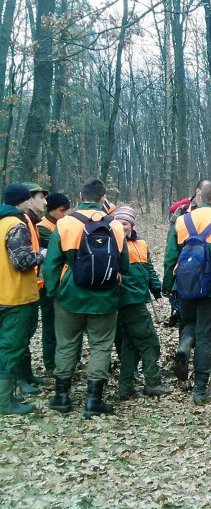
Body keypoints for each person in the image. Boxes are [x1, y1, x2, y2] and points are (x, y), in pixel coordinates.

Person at [44, 178, 130, 418]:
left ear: (81, 197)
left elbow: (51, 264)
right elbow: (125, 266)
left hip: (70, 296)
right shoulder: (115, 226)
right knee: (101, 346)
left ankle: (62, 397)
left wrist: (53, 291)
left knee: (67, 343)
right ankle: (94, 401)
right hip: (105, 297)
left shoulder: (65, 223)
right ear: (103, 199)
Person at [163, 182, 211, 405]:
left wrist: (168, 285)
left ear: (200, 197)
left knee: (188, 323)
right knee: (205, 336)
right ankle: (200, 388)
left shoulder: (182, 220)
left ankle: (184, 345)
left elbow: (170, 256)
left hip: (184, 284)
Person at [113, 206, 168, 400]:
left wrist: (157, 292)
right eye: (118, 223)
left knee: (130, 345)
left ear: (132, 225)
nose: (122, 227)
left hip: (138, 299)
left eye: (125, 223)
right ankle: (153, 383)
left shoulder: (141, 244)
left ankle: (125, 386)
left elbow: (149, 269)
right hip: (128, 302)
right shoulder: (113, 245)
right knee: (149, 342)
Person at [0, 184, 44, 415]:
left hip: (3, 293)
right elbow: (21, 261)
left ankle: (8, 394)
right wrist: (42, 255)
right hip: (15, 296)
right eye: (28, 199)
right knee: (11, 348)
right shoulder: (16, 225)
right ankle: (5, 402)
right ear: (21, 201)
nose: (31, 202)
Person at [14, 182, 49, 395]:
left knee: (27, 333)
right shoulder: (20, 222)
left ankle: (26, 375)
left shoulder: (32, 221)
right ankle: (18, 379)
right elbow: (21, 259)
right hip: (17, 291)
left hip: (31, 287)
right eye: (40, 198)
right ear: (28, 200)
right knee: (18, 336)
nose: (44, 202)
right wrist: (41, 255)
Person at [37, 193, 71, 374]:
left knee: (67, 326)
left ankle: (67, 361)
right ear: (52, 210)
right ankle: (50, 364)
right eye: (62, 211)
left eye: (66, 211)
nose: (65, 214)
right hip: (47, 284)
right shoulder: (42, 227)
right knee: (50, 325)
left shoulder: (62, 224)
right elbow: (59, 248)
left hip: (64, 282)